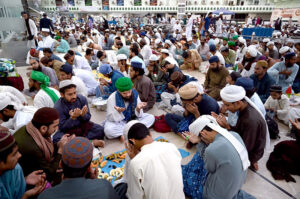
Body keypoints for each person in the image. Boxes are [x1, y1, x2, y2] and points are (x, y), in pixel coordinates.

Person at [182, 115, 254, 199]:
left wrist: (199, 143)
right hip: (235, 189)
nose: (204, 142)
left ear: (203, 133)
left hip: (213, 195)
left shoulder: (212, 149)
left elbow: (209, 169)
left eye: (201, 139)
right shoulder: (234, 135)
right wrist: (199, 141)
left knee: (182, 176)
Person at [117, 122, 185, 199]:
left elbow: (134, 196)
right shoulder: (171, 146)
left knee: (120, 189)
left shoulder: (136, 162)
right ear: (150, 133)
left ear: (132, 141)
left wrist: (134, 159)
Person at [38, 137, 119, 199]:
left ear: (60, 164)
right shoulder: (104, 187)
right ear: (88, 169)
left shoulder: (45, 196)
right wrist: (95, 181)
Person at [212, 85, 268, 171]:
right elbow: (241, 131)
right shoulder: (244, 108)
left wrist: (227, 129)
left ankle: (251, 161)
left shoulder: (250, 120)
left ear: (238, 102)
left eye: (227, 105)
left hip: (251, 152)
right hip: (247, 140)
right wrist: (227, 126)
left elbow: (245, 146)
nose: (225, 109)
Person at [14, 108, 72, 184]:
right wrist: (60, 150)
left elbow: (47, 148)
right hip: (24, 178)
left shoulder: (29, 128)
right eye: (54, 126)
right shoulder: (33, 147)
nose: (56, 129)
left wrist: (59, 144)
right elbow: (49, 174)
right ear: (43, 128)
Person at [53, 80, 105, 147]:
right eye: (70, 94)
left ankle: (79, 142)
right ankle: (90, 142)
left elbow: (88, 118)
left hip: (82, 126)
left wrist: (83, 115)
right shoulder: (58, 107)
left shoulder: (82, 99)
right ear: (62, 95)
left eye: (75, 93)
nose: (74, 96)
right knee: (56, 140)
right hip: (68, 131)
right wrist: (72, 118)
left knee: (100, 130)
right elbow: (62, 127)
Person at [104, 77, 155, 141]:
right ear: (119, 91)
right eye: (124, 93)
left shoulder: (135, 94)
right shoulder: (112, 98)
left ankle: (126, 133)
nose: (128, 95)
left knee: (151, 117)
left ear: (132, 88)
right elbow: (110, 118)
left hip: (133, 118)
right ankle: (137, 131)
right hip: (120, 122)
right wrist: (118, 112)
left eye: (129, 91)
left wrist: (138, 109)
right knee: (108, 130)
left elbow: (140, 114)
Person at [0, 130, 47, 199]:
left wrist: (24, 180)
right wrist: (26, 196)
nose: (19, 155)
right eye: (14, 154)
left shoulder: (15, 169)